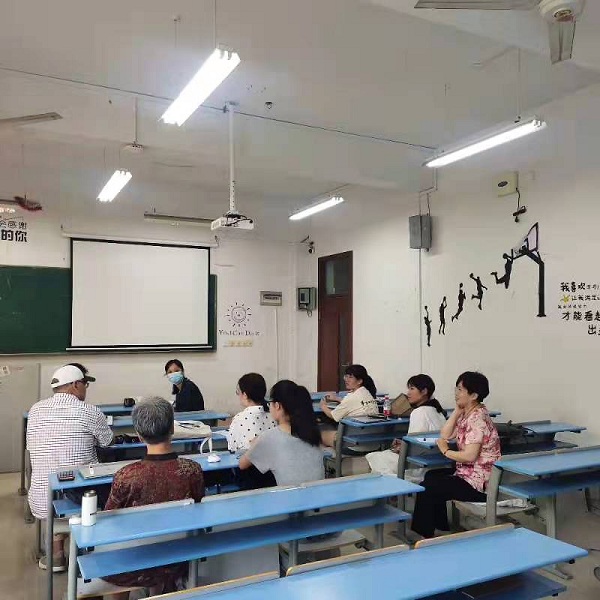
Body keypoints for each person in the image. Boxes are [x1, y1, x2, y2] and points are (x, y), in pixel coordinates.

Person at [102, 397, 205, 593]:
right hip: (178, 559)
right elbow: (199, 511)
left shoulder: (126, 476)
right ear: (172, 428)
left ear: (139, 435)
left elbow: (109, 521)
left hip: (133, 565)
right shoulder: (193, 470)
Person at [26, 364, 113, 571]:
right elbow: (107, 441)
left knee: (57, 475)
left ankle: (57, 551)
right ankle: (90, 549)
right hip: (82, 497)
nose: (86, 389)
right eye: (85, 384)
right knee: (92, 477)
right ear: (75, 385)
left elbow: (31, 447)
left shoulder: (35, 410)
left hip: (41, 497)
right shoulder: (89, 411)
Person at [411, 372, 501, 539]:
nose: (456, 393)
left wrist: (446, 451)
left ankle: (425, 536)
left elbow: (470, 456)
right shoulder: (469, 413)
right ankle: (440, 527)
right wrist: (457, 411)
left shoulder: (477, 419)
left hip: (479, 483)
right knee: (431, 476)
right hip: (468, 473)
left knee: (428, 487)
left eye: (460, 389)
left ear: (473, 395)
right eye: (456, 388)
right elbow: (445, 434)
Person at [239, 380, 324, 486]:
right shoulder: (312, 432)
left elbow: (242, 464)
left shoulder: (269, 437)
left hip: (289, 495)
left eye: (270, 403)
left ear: (277, 405)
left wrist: (256, 444)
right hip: (319, 494)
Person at [366, 375, 446, 479]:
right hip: (438, 462)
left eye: (412, 389)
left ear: (424, 391)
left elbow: (414, 449)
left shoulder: (419, 412)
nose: (408, 393)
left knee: (375, 457)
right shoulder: (438, 412)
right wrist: (403, 443)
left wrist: (401, 448)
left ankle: (395, 485)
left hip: (419, 465)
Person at [228, 373, 277, 489]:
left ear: (245, 395)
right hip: (272, 475)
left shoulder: (239, 418)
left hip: (249, 476)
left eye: (238, 392)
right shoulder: (273, 416)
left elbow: (232, 448)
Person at [319, 364, 379, 447]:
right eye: (346, 376)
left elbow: (333, 415)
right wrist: (337, 399)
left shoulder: (351, 398)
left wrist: (323, 406)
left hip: (353, 446)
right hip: (373, 444)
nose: (346, 380)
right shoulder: (367, 393)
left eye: (350, 377)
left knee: (320, 433)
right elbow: (354, 403)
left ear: (359, 381)